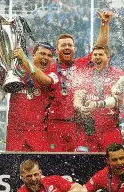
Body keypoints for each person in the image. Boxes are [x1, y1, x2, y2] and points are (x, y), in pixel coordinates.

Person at [42, 11, 112, 152]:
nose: (67, 47)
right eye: (63, 45)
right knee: (55, 164)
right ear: (57, 50)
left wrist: (104, 24)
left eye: (70, 45)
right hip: (54, 124)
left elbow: (100, 46)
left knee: (79, 164)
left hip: (77, 125)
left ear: (74, 49)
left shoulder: (81, 64)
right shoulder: (47, 69)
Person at [2, 42, 55, 151]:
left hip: (38, 132)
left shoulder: (53, 73)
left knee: (37, 166)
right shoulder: (17, 70)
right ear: (33, 54)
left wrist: (24, 60)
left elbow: (45, 81)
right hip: (15, 131)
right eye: (42, 53)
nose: (46, 57)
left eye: (49, 55)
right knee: (14, 166)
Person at [73, 44, 124, 152]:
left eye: (100, 54)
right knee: (83, 163)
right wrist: (81, 108)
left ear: (108, 57)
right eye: (95, 55)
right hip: (88, 129)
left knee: (112, 162)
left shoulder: (118, 74)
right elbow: (77, 99)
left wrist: (96, 105)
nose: (97, 57)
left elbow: (117, 101)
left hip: (110, 128)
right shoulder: (85, 75)